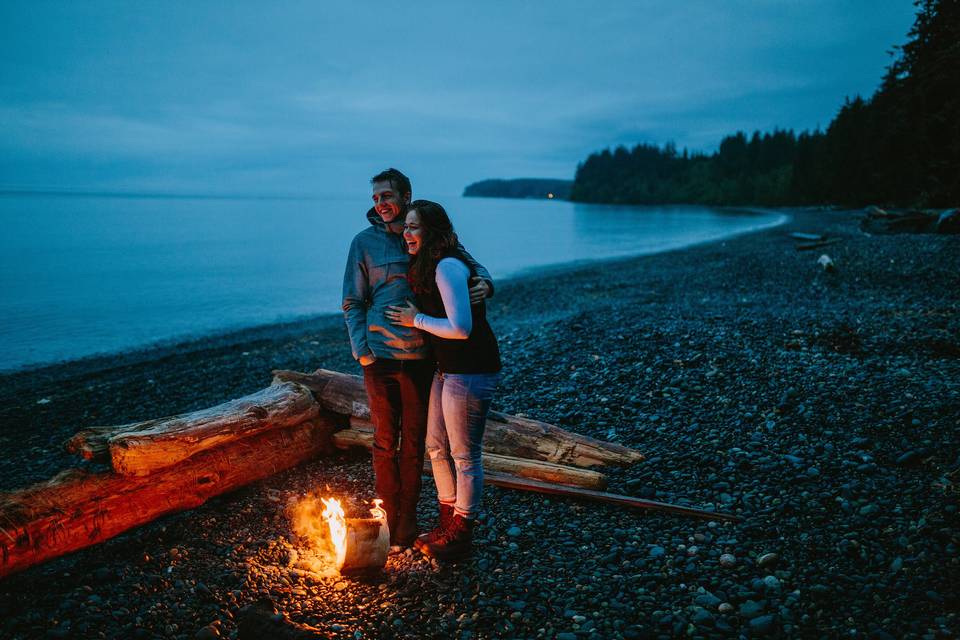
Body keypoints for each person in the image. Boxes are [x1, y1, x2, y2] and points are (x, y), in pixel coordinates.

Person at [341, 169, 493, 551]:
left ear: (406, 196)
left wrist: (488, 283)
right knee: (383, 442)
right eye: (376, 198)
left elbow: (471, 264)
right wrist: (362, 350)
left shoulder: (426, 239)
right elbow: (352, 301)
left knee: (417, 446)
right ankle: (388, 523)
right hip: (379, 358)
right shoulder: (364, 243)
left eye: (388, 196)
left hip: (423, 357)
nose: (381, 204)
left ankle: (407, 527)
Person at [385, 200, 501, 561]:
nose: (406, 233)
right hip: (447, 368)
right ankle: (446, 520)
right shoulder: (430, 262)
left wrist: (415, 320)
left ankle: (462, 531)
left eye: (413, 227)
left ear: (431, 231)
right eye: (405, 227)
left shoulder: (448, 267)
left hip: (471, 368)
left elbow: (462, 328)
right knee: (436, 447)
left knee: (465, 455)